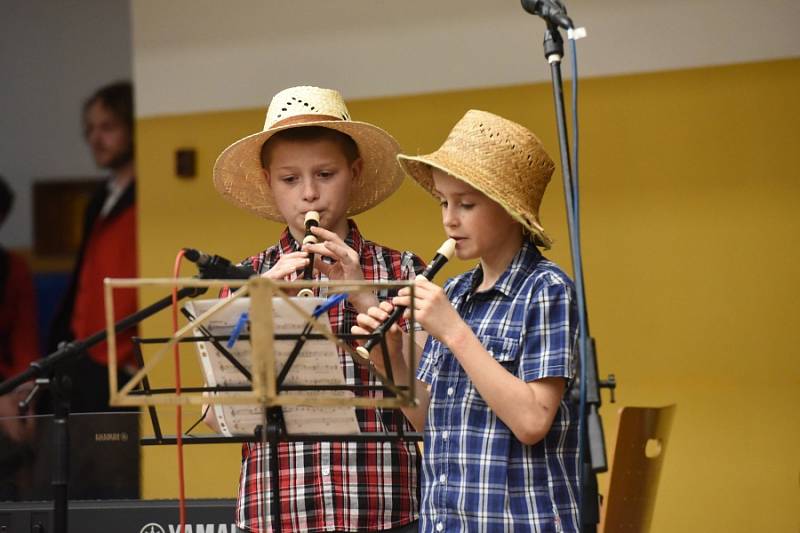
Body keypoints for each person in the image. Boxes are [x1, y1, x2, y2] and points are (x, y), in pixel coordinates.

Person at [354, 110, 581, 532]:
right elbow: (431, 422)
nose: (449, 218)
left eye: (466, 204)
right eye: (443, 201)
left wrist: (455, 331)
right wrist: (393, 363)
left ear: (510, 210)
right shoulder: (456, 290)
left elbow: (532, 422)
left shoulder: (546, 288)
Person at [212, 86, 424, 533]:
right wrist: (252, 317)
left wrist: (365, 298)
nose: (309, 194)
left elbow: (426, 405)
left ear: (355, 171)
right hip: (278, 507)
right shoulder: (247, 279)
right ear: (270, 183)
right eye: (290, 180)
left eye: (325, 174)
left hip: (383, 506)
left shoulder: (402, 269)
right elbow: (219, 418)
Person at [46, 81, 138, 413]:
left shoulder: (145, 196)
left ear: (132, 126)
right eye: (90, 130)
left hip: (122, 362)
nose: (96, 139)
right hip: (83, 356)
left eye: (108, 127)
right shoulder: (100, 198)